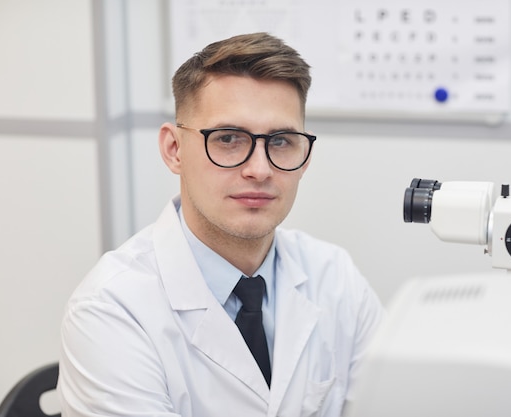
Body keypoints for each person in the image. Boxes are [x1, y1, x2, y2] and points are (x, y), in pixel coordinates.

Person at [57, 32, 384, 417]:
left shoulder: (335, 278)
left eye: (281, 141)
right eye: (229, 138)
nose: (259, 169)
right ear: (174, 150)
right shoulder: (110, 310)